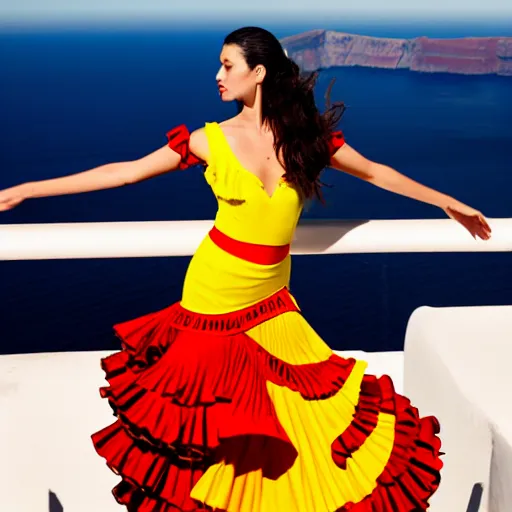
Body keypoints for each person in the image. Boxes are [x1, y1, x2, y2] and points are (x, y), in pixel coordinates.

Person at [0, 26, 491, 512]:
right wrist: (27, 190)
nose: (217, 75)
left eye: (227, 65)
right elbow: (124, 172)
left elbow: (378, 172)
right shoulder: (208, 141)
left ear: (258, 73)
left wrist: (446, 201)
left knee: (304, 429)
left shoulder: (306, 140)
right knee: (216, 437)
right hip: (212, 301)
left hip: (273, 306)